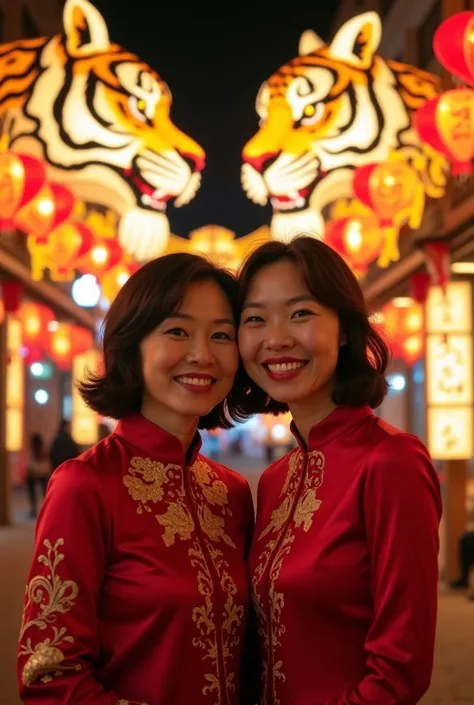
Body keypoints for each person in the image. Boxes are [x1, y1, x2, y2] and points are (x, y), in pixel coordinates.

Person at [17, 253, 256, 705]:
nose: (202, 354)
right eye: (177, 331)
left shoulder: (231, 493)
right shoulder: (84, 486)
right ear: (133, 345)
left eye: (221, 335)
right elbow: (47, 672)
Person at [235, 236, 442, 705]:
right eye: (255, 319)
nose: (277, 338)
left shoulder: (392, 462)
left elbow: (401, 669)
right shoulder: (274, 480)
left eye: (301, 313)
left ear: (344, 329)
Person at [25, 432, 50, 518]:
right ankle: (46, 509)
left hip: (35, 474)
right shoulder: (43, 451)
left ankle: (33, 508)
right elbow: (47, 465)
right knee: (45, 492)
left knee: (32, 490)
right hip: (43, 474)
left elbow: (29, 466)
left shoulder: (33, 452)